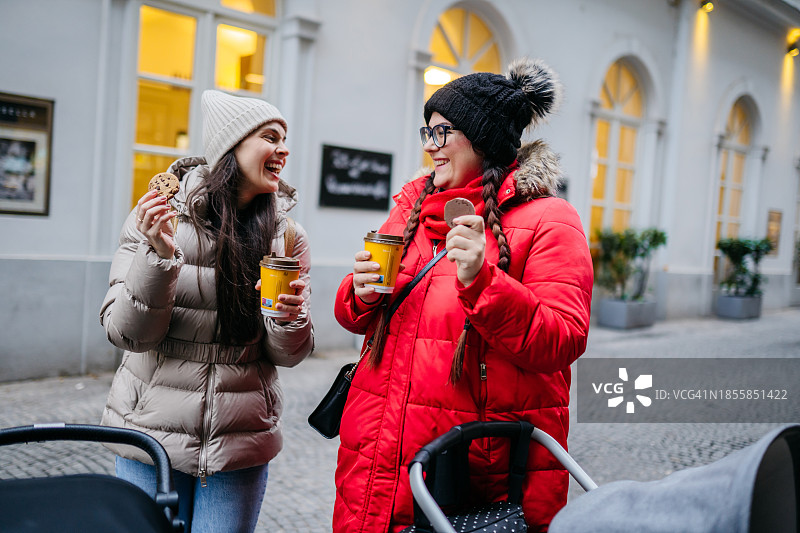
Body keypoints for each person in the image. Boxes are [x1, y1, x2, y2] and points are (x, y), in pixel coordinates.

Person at [332, 58, 593, 532]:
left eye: (442, 132)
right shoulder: (411, 210)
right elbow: (357, 317)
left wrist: (484, 282)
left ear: (483, 137)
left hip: (474, 470)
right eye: (426, 132)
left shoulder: (550, 220)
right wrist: (360, 293)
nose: (431, 147)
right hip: (378, 455)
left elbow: (563, 339)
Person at [99, 90, 314, 533]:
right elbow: (128, 334)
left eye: (285, 139)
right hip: (150, 433)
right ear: (232, 147)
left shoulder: (287, 237)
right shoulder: (159, 219)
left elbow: (288, 355)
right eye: (271, 137)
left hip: (240, 439)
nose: (284, 149)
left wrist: (289, 318)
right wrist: (158, 257)